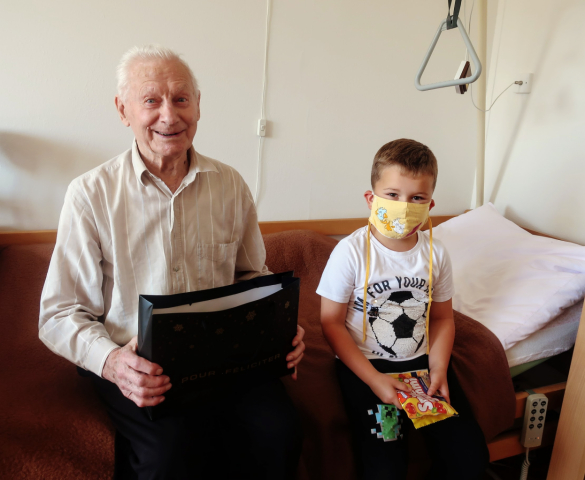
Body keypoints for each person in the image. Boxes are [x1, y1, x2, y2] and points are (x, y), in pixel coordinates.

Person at [39, 45, 304, 480]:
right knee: (170, 456)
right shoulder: (90, 194)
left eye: (181, 99)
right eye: (151, 100)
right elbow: (59, 314)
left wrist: (279, 323)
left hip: (226, 360)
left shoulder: (230, 185)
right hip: (139, 364)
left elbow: (251, 276)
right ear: (123, 110)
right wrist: (112, 364)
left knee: (281, 432)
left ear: (198, 105)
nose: (169, 115)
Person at [317, 139, 488, 479]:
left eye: (417, 198)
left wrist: (439, 369)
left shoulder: (436, 254)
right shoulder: (350, 252)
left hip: (423, 368)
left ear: (430, 204)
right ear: (371, 199)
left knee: (468, 458)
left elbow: (442, 318)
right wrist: (374, 380)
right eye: (392, 195)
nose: (404, 206)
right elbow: (330, 322)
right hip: (370, 368)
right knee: (386, 464)